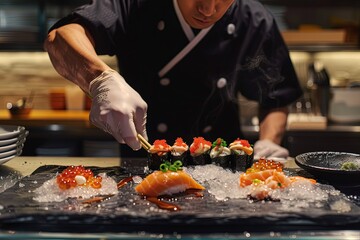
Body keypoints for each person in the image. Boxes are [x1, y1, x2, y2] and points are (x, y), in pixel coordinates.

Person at [44, 0, 302, 159]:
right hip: (147, 160)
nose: (208, 9)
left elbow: (276, 97)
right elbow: (60, 38)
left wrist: (269, 141)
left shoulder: (254, 20)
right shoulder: (134, 4)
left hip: (225, 164)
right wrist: (101, 78)